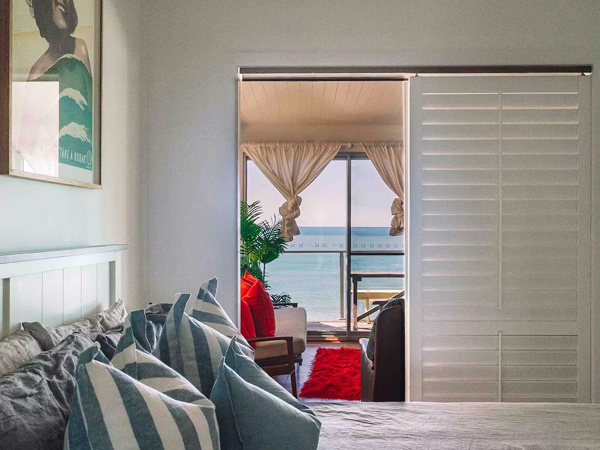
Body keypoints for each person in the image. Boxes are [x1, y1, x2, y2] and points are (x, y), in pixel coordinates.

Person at [25, 0, 94, 173]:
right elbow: (26, 144)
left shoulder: (80, 48)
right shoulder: (38, 72)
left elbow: (91, 116)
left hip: (82, 166)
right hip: (58, 170)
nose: (61, 2)